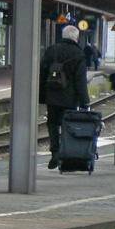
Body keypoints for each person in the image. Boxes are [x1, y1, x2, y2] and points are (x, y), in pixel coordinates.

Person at [40, 24, 89, 169]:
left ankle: (55, 152)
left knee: (52, 123)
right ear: (75, 37)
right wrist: (84, 101)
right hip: (70, 97)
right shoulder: (78, 54)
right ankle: (66, 154)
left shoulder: (51, 50)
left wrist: (42, 95)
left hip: (52, 95)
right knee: (68, 125)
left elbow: (42, 73)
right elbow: (80, 80)